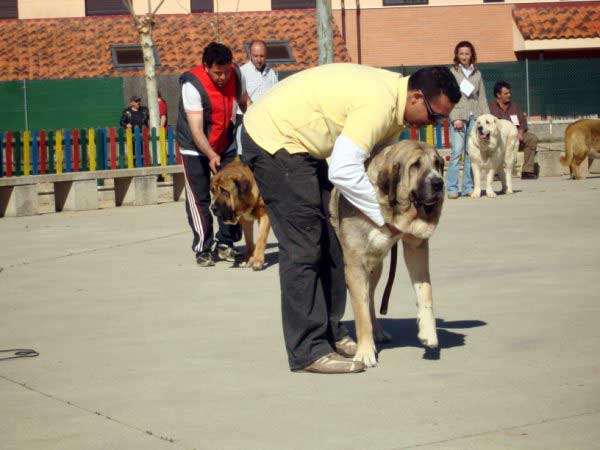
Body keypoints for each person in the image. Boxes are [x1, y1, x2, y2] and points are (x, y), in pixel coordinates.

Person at [239, 63, 461, 374]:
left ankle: (330, 330)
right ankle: (308, 350)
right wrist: (386, 219)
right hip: (274, 139)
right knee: (304, 244)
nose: (432, 123)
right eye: (434, 116)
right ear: (415, 97)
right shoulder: (379, 105)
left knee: (334, 238)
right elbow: (343, 170)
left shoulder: (394, 107)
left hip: (305, 146)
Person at [176, 42, 249, 267]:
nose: (223, 77)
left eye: (226, 71)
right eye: (218, 72)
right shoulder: (192, 85)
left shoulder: (236, 74)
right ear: (206, 67)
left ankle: (226, 242)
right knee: (200, 199)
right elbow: (197, 129)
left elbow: (246, 103)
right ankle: (203, 248)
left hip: (224, 142)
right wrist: (210, 154)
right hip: (194, 148)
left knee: (233, 192)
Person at [447, 41, 490, 199]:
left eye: (467, 53)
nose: (464, 56)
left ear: (472, 55)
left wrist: (485, 119)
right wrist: (455, 117)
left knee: (471, 153)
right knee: (457, 153)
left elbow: (482, 97)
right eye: (461, 54)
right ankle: (452, 188)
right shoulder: (452, 73)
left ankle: (467, 187)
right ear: (457, 55)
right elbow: (449, 97)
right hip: (459, 117)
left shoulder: (477, 74)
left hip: (475, 118)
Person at [489, 81, 539, 179]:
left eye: (509, 93)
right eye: (506, 93)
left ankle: (527, 171)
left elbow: (523, 122)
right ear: (498, 95)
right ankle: (495, 173)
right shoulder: (490, 108)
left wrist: (520, 132)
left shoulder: (515, 107)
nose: (509, 95)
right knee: (492, 142)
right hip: (500, 139)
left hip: (515, 138)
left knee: (532, 138)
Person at [235, 40, 278, 144]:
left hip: (265, 123)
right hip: (246, 122)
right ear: (250, 54)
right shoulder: (242, 72)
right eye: (255, 56)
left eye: (262, 56)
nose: (259, 59)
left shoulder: (271, 74)